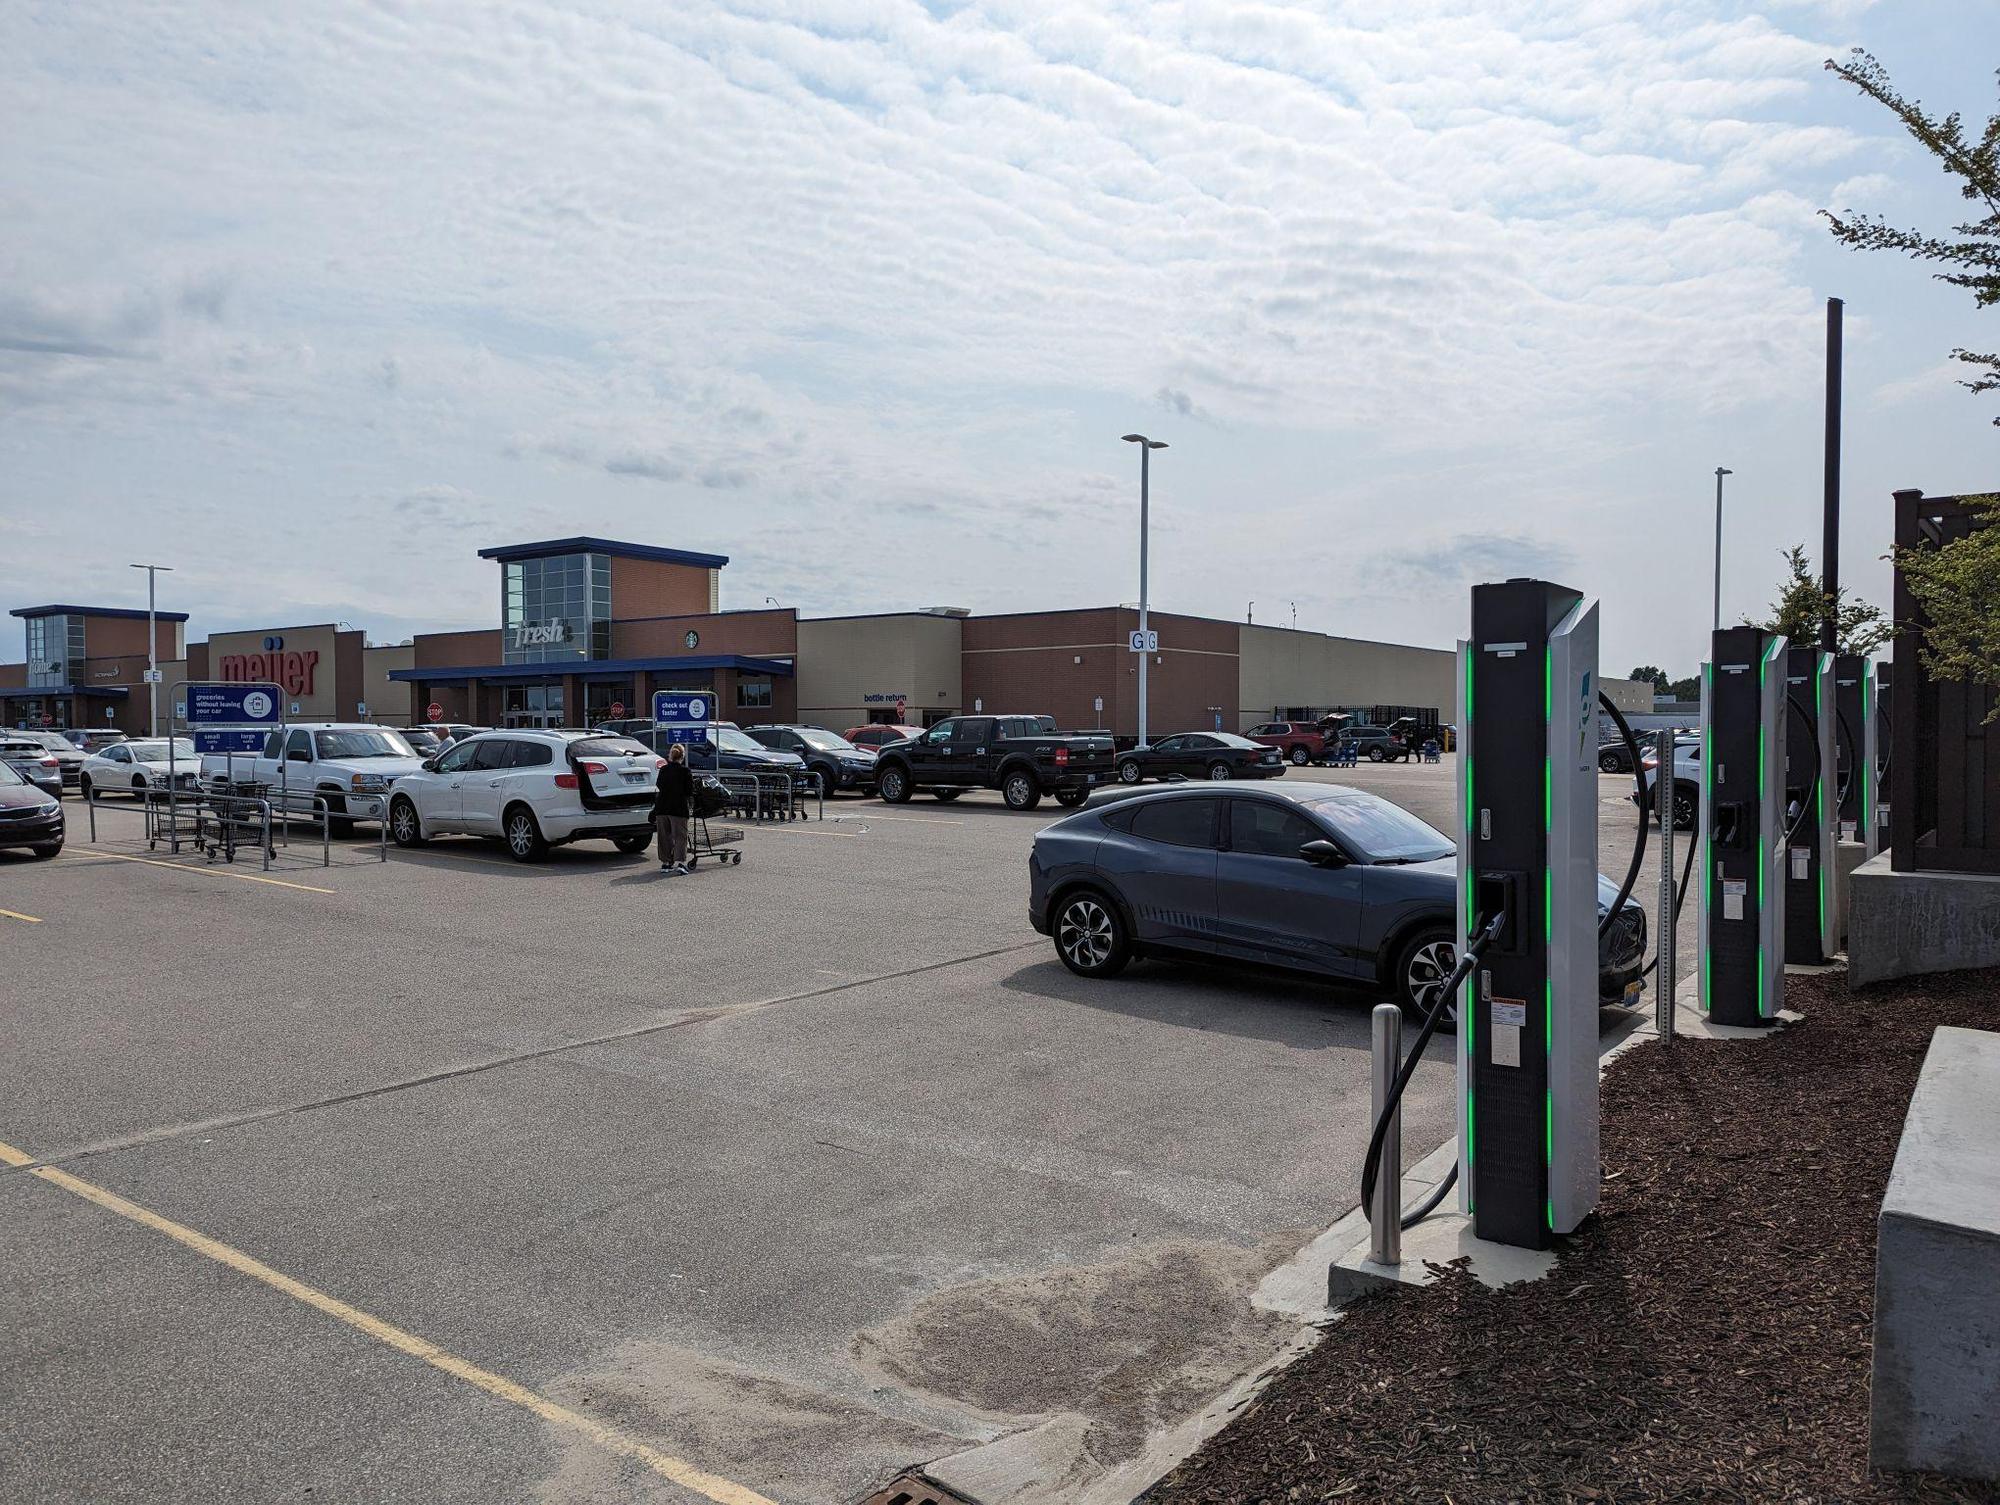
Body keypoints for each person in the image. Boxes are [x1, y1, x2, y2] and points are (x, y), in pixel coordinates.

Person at [655, 742, 695, 874]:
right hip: (678, 808)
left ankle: (665, 863)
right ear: (682, 756)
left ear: (670, 756)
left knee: (664, 837)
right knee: (680, 837)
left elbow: (659, 785)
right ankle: (680, 863)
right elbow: (689, 791)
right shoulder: (685, 771)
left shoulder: (663, 770)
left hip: (662, 807)